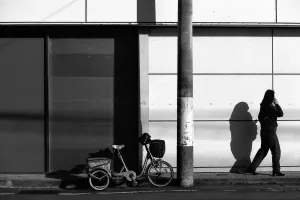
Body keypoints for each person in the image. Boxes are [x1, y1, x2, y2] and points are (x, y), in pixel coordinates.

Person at [245, 89, 285, 176]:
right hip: (270, 132)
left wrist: (266, 121)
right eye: (273, 96)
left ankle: (251, 168)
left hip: (264, 132)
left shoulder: (263, 106)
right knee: (276, 151)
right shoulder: (270, 107)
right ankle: (276, 170)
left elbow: (260, 117)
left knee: (263, 150)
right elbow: (281, 113)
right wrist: (277, 104)